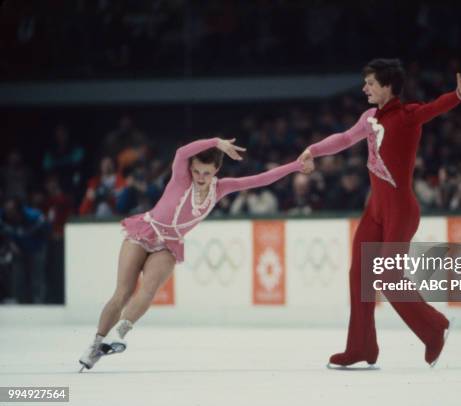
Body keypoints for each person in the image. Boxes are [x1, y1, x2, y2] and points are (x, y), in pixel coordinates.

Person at [299, 58, 461, 368]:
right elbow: (343, 139)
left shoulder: (407, 116)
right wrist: (313, 150)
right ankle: (362, 347)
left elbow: (434, 107)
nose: (364, 88)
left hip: (401, 211)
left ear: (388, 86)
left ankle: (435, 328)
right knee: (359, 275)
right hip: (375, 210)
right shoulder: (369, 117)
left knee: (386, 274)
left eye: (370, 83)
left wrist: (459, 95)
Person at [79, 137, 312, 371]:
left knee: (148, 289)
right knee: (123, 292)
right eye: (197, 171)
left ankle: (119, 333)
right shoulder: (181, 177)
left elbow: (260, 179)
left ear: (216, 171)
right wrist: (216, 142)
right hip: (144, 231)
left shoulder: (221, 188)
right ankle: (96, 344)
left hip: (168, 245)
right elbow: (181, 152)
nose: (200, 177)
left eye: (206, 173)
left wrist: (295, 166)